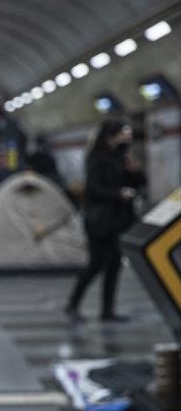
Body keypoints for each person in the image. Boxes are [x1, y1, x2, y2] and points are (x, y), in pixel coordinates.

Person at [65, 119, 145, 322]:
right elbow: (92, 188)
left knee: (114, 265)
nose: (127, 134)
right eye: (123, 131)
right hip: (100, 221)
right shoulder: (97, 157)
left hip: (119, 220)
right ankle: (73, 303)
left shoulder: (122, 156)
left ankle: (107, 310)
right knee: (96, 264)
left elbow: (137, 182)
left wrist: (135, 171)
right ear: (112, 134)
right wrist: (118, 193)